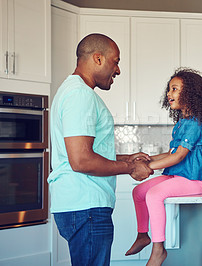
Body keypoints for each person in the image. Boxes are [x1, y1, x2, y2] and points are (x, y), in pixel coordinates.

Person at [48, 33, 154, 266]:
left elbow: (83, 152)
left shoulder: (73, 91)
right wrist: (130, 168)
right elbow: (82, 161)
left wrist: (127, 158)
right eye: (115, 61)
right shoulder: (80, 95)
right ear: (97, 58)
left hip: (82, 204)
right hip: (86, 205)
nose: (118, 70)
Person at [125, 68, 202, 265]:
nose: (169, 94)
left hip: (193, 180)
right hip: (178, 176)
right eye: (169, 90)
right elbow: (171, 153)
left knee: (154, 195)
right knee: (139, 192)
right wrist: (146, 159)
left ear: (190, 94)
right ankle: (143, 234)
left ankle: (158, 249)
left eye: (174, 89)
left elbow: (179, 156)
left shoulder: (195, 123)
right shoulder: (182, 122)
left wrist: (149, 167)